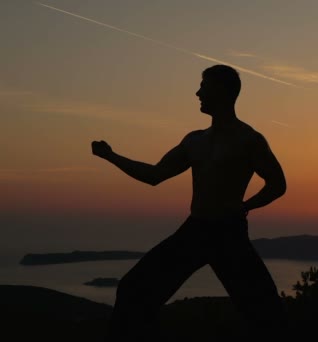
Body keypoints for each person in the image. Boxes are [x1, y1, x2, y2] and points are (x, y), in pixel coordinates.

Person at [92, 65, 287, 341]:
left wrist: (246, 206)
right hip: (195, 231)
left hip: (229, 234)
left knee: (265, 313)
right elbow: (155, 175)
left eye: (204, 86)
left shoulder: (249, 140)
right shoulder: (195, 141)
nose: (198, 92)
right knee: (133, 288)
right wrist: (111, 156)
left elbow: (278, 184)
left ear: (222, 91)